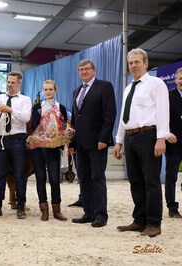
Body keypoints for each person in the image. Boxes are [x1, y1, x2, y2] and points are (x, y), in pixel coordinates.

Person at [113, 48, 169, 237]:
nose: (133, 66)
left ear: (146, 63)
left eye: (137, 62)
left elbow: (162, 111)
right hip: (130, 137)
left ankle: (154, 223)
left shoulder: (156, 84)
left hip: (148, 136)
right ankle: (139, 220)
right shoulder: (129, 88)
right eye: (130, 63)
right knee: (135, 181)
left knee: (151, 181)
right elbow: (124, 116)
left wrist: (161, 138)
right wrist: (119, 140)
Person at [69, 59, 116, 228]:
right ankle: (88, 212)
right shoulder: (76, 91)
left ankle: (101, 215)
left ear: (94, 70)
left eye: (87, 69)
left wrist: (104, 138)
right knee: (84, 178)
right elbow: (75, 118)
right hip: (80, 143)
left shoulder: (105, 86)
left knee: (97, 178)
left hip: (97, 143)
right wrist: (72, 142)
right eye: (81, 69)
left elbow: (110, 115)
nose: (84, 72)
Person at [0, 71, 32, 219]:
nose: (9, 85)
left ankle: (20, 206)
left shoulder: (25, 99)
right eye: (8, 82)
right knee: (0, 174)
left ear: (19, 83)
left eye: (13, 82)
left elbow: (25, 118)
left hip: (18, 140)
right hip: (1, 140)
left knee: (19, 175)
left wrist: (10, 109)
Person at [30, 80, 68, 221]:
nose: (48, 92)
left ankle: (56, 210)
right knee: (40, 178)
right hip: (38, 147)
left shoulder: (61, 107)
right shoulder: (37, 107)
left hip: (53, 146)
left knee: (54, 179)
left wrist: (59, 134)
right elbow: (34, 124)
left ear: (55, 90)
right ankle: (44, 210)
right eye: (45, 89)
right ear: (42, 91)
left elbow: (64, 125)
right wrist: (43, 134)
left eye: (51, 89)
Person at [164, 67, 182, 219]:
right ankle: (172, 207)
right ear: (175, 80)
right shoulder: (168, 96)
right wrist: (166, 132)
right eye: (180, 78)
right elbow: (161, 118)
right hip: (174, 142)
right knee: (171, 177)